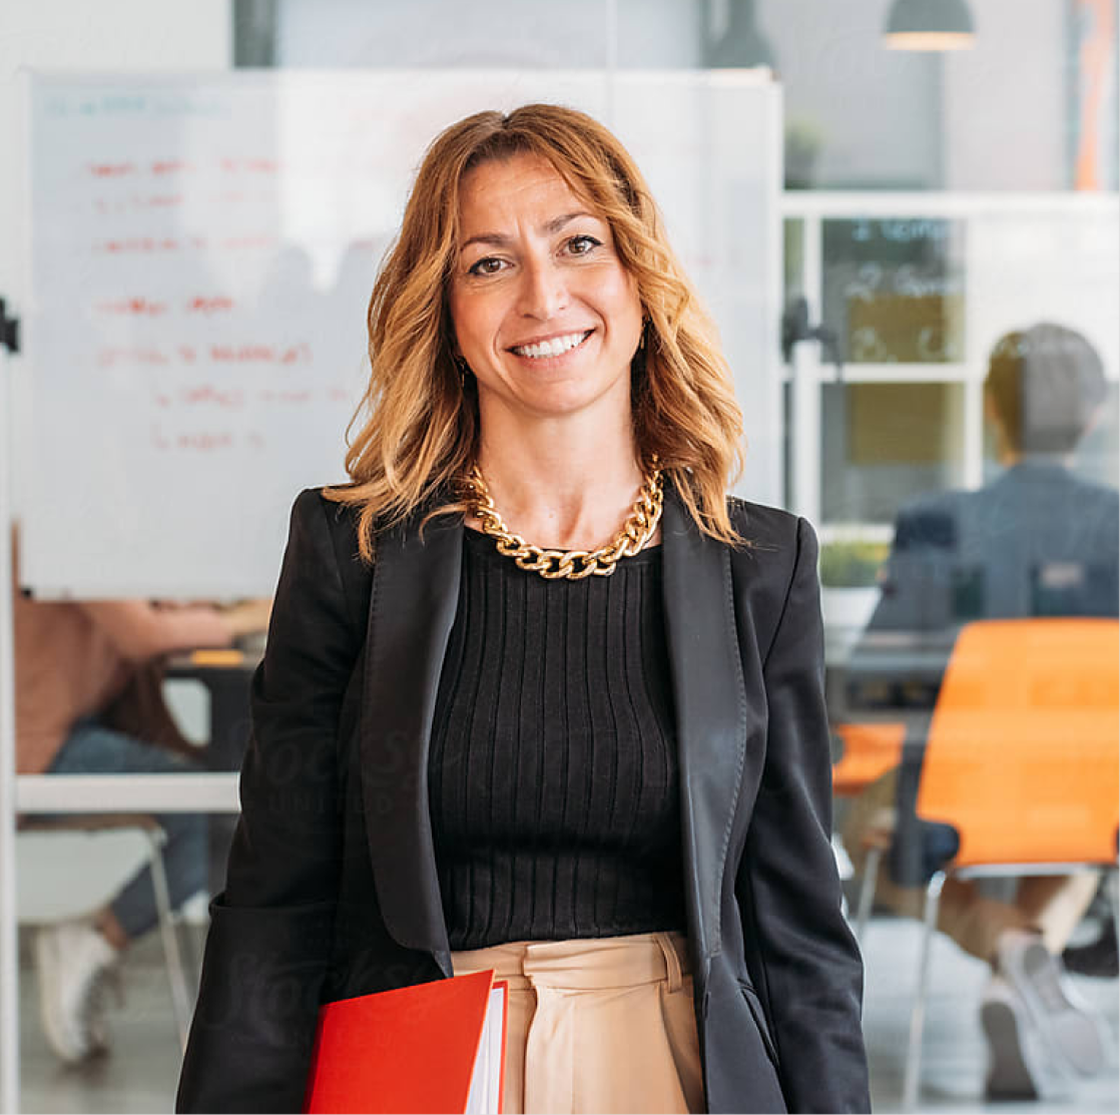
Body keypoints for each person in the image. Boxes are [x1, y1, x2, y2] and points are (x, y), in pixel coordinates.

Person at [176, 103, 870, 1114]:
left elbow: (799, 921)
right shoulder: (351, 550)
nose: (544, 296)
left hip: (672, 1070)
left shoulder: (758, 567)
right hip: (418, 1066)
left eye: (579, 244)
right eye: (488, 263)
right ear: (447, 311)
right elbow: (278, 903)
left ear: (637, 278)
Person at [842, 322, 1117, 1099]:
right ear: (1091, 418)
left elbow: (872, 685)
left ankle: (1006, 945)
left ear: (993, 412)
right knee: (1083, 854)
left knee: (863, 834)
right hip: (1084, 804)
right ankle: (1021, 966)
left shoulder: (940, 524)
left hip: (949, 803)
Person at [13, 535, 269, 1064]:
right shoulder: (62, 533)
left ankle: (96, 941)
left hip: (60, 732)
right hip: (32, 747)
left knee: (226, 805)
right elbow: (143, 634)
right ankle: (94, 939)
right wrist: (255, 615)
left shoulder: (86, 530)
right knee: (206, 813)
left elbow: (152, 611)